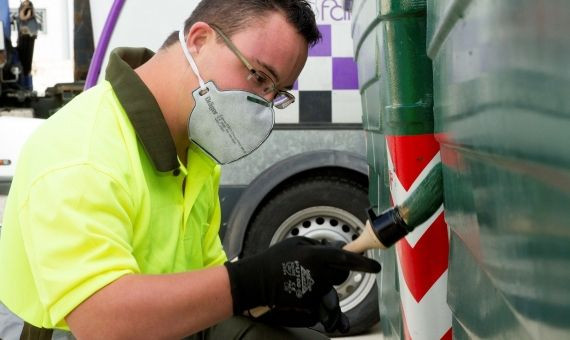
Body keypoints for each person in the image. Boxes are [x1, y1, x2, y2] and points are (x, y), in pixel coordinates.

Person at [0, 0, 381, 339]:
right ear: (199, 39)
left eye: (275, 93)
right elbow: (102, 321)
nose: (262, 104)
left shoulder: (194, 152)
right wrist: (257, 281)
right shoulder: (84, 150)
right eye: (259, 76)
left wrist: (278, 295)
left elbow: (203, 276)